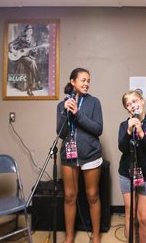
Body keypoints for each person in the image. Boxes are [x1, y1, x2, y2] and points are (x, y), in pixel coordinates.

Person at [56, 68, 103, 243]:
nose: (86, 83)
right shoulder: (62, 105)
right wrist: (65, 112)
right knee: (69, 196)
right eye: (83, 80)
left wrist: (78, 113)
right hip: (69, 156)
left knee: (92, 195)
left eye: (88, 80)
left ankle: (96, 236)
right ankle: (69, 237)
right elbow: (61, 133)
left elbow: (98, 129)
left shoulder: (94, 102)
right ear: (73, 82)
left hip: (90, 155)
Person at [118, 90, 146, 243]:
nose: (132, 106)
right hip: (126, 173)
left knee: (143, 217)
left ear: (142, 101)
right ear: (127, 109)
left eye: (135, 101)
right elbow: (122, 148)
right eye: (128, 105)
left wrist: (142, 133)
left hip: (145, 174)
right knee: (130, 213)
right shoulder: (124, 125)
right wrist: (129, 131)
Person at [8, 24, 43, 95]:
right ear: (26, 32)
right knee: (32, 62)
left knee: (31, 64)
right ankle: (38, 81)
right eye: (28, 31)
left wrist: (34, 50)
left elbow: (34, 52)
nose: (29, 32)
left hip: (29, 57)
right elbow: (11, 44)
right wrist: (13, 50)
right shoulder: (21, 38)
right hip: (21, 57)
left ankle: (29, 89)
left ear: (32, 32)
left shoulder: (33, 40)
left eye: (31, 31)